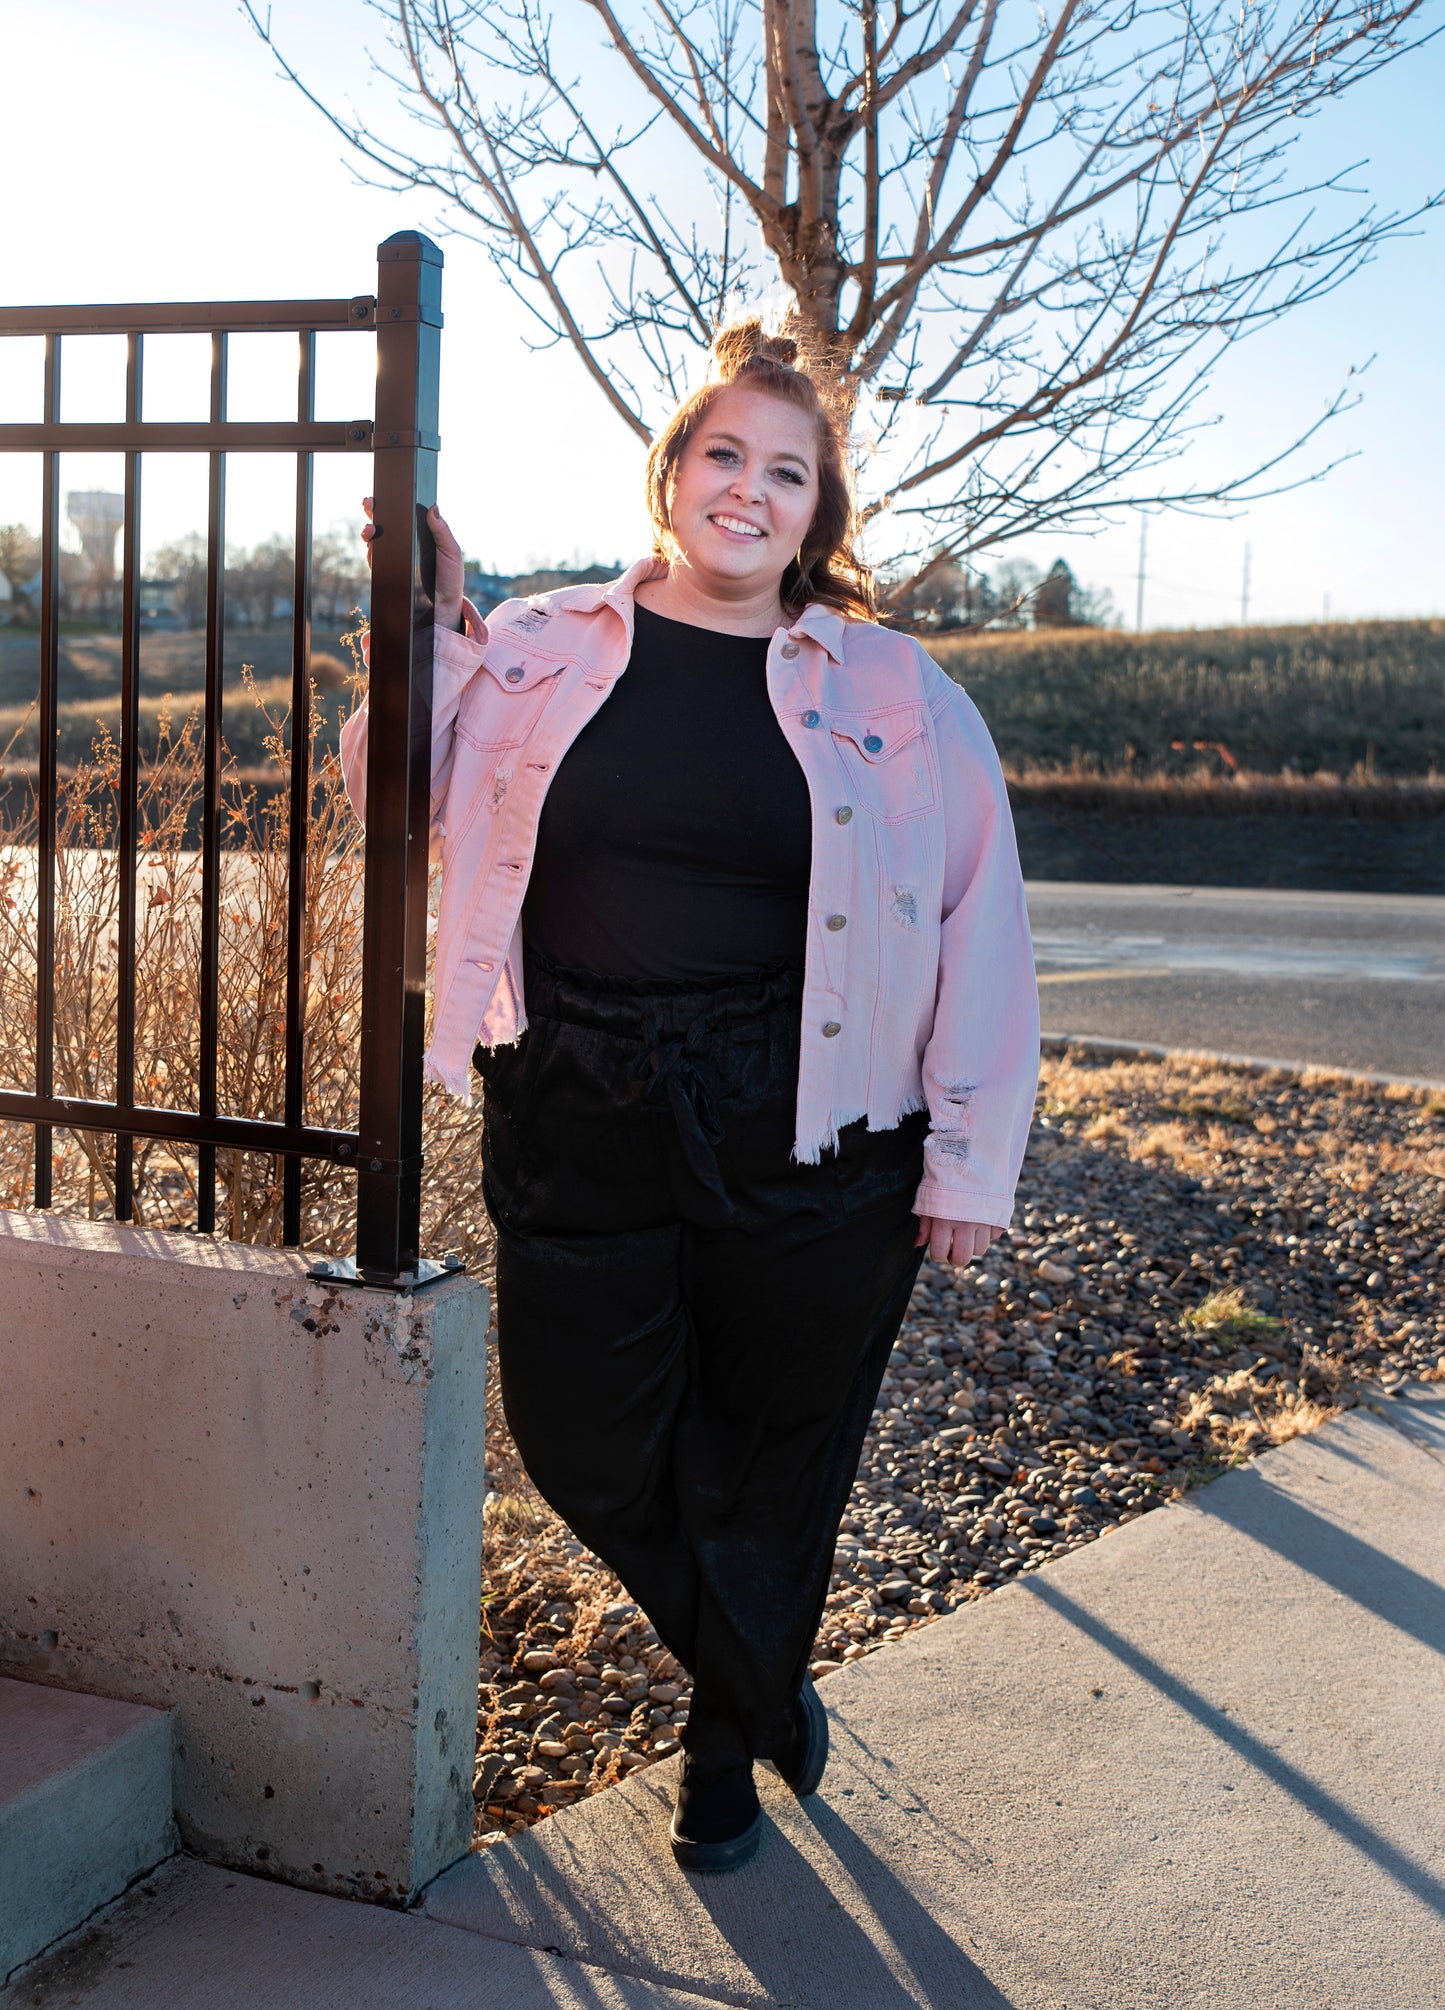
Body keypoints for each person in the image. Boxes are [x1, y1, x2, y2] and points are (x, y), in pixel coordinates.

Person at [341, 321, 1040, 1874]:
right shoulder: (532, 640)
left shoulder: (898, 688)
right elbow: (378, 786)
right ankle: (766, 1680)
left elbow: (980, 920)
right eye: (722, 453)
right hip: (580, 1090)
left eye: (786, 472)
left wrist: (969, 1160)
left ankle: (722, 1749)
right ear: (669, 472)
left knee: (776, 1446)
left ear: (817, 513)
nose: (748, 489)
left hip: (816, 1127)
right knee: (579, 1438)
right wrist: (429, 629)